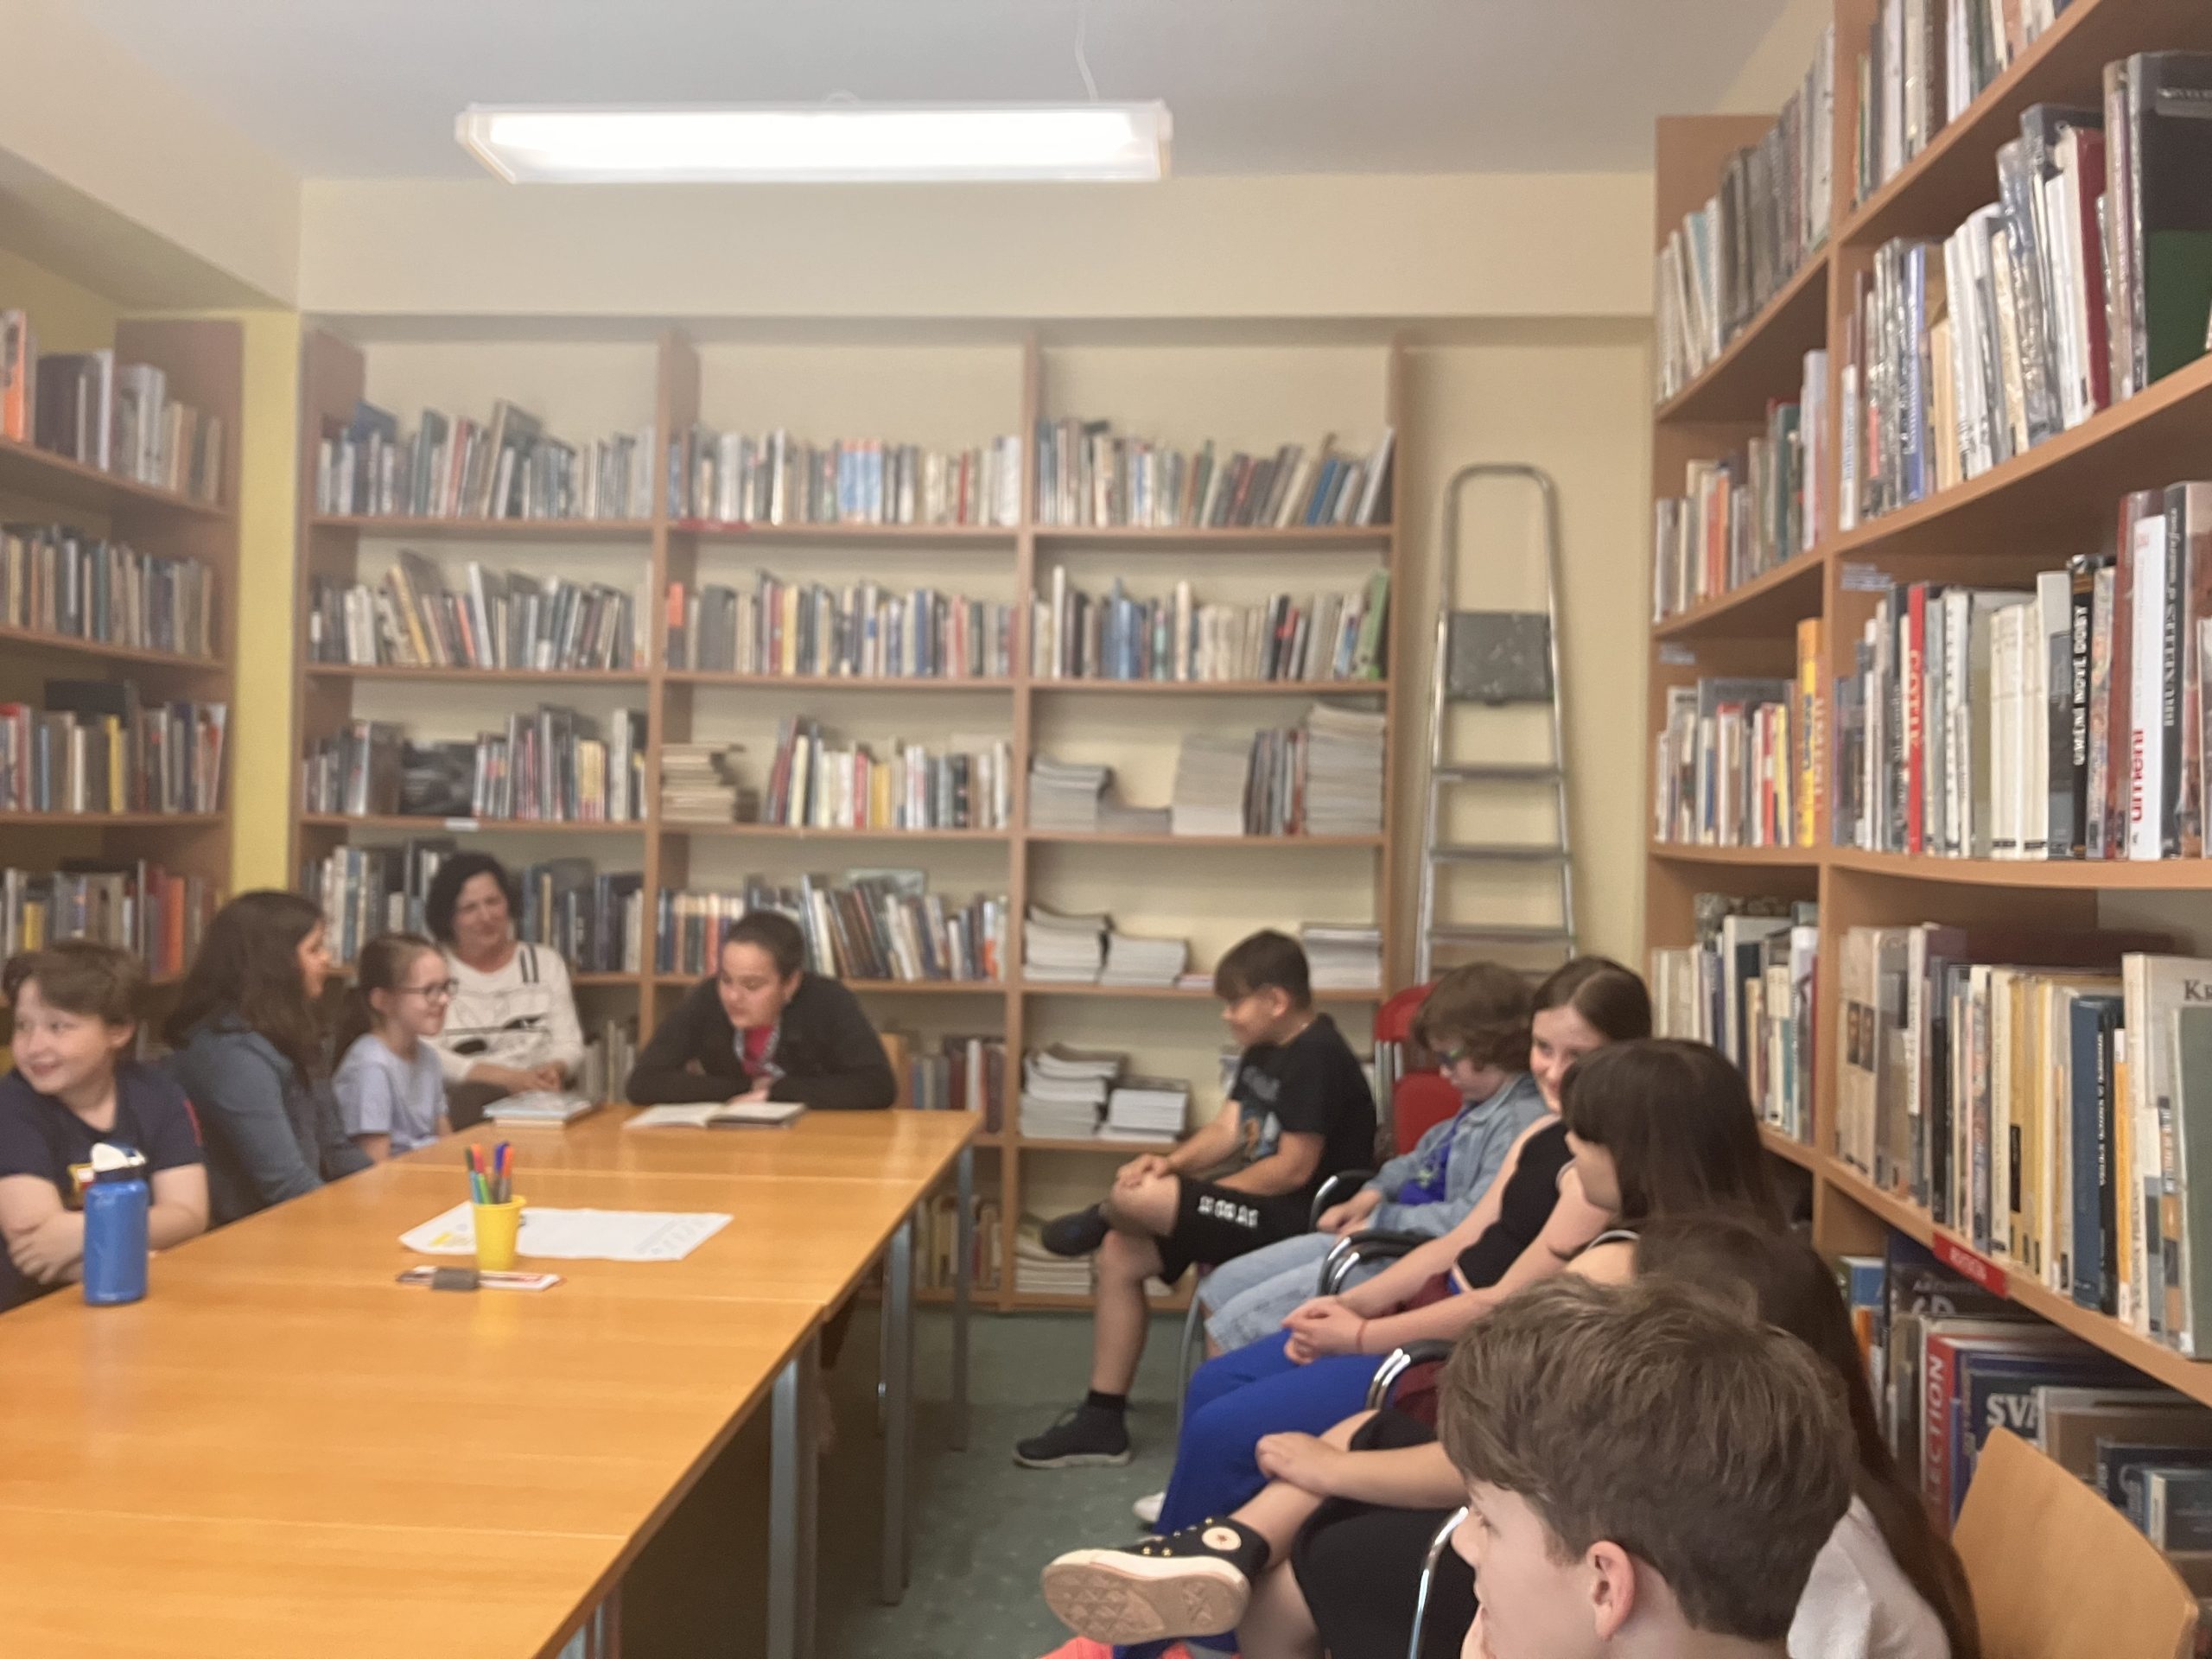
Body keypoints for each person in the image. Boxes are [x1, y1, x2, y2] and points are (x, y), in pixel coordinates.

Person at [1043, 1214, 1976, 1659]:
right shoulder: (1773, 1513)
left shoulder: (1829, 1572)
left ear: (1605, 1584)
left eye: (1486, 1521)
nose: (1465, 1540)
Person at [1133, 963, 1654, 1534]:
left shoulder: (1595, 1172)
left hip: (1454, 1350)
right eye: (1543, 1049)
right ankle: (1196, 1542)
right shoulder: (1542, 1133)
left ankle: (1188, 1570)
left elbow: (1501, 1304)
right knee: (1215, 1383)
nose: (1552, 1071)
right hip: (1429, 1302)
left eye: (1577, 1056)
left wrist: (1360, 1335)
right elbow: (1458, 1240)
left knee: (1222, 1427)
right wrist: (1353, 1304)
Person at [1015, 929, 1378, 1471]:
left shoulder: (1318, 1056)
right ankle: (1102, 1419)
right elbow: (1228, 1130)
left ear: (1276, 1000)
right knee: (1120, 1251)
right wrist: (1173, 1167)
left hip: (1302, 1219)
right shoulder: (1265, 1048)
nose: (1227, 1015)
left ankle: (1103, 1213)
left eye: (1235, 1003)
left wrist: (1196, 1197)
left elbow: (1293, 1169)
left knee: (1141, 1202)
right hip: (1255, 1207)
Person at [1193, 961, 1545, 1357]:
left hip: (1406, 1257)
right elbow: (1414, 1162)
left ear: (1491, 1046)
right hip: (1380, 1236)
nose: (1444, 1074)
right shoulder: (1480, 1101)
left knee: (1235, 1324)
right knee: (1220, 1287)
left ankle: (1229, 1389)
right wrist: (1370, 1195)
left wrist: (1381, 1219)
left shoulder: (1518, 1123)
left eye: (1449, 1059)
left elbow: (1469, 1222)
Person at [0, 942, 208, 1313]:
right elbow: (35, 1246)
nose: (33, 1046)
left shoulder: (158, 1094)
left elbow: (189, 1215)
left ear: (118, 1030)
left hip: (136, 1298)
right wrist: (141, 1254)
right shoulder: (12, 1106)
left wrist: (81, 1231)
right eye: (22, 1026)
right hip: (30, 1310)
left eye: (58, 1027)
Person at [166, 891, 371, 1226]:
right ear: (277, 963)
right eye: (315, 949)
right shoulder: (231, 1056)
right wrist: (357, 1227)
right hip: (248, 1234)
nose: (327, 959)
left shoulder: (293, 1033)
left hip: (296, 1217)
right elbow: (286, 1184)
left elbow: (336, 1150)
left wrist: (387, 1198)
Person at [626, 909, 897, 1109]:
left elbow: (877, 1086)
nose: (733, 996)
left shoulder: (828, 1001)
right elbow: (643, 1082)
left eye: (752, 985)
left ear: (790, 983)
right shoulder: (707, 998)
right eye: (726, 979)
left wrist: (778, 1092)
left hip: (813, 1143)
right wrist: (746, 1088)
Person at [423, 853, 585, 1125]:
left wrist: (552, 1070)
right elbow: (428, 1055)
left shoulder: (545, 963)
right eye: (469, 908)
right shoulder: (432, 968)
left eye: (493, 902)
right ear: (448, 918)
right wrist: (510, 1079)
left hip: (540, 1102)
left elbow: (569, 1043)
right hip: (462, 1111)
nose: (486, 917)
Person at [332, 932, 454, 1161]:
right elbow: (374, 1168)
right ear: (382, 1001)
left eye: (446, 987)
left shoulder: (428, 1058)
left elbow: (448, 1146)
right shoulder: (371, 1065)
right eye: (429, 990)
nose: (444, 1000)